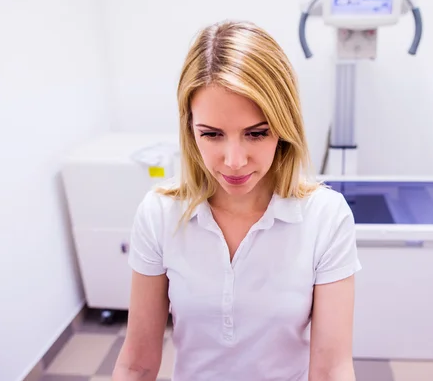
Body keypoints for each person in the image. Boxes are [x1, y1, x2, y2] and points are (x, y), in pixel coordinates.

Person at [112, 20, 362, 381]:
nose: (234, 160)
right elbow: (136, 364)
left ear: (284, 127)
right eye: (212, 135)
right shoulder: (160, 214)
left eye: (256, 133)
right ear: (189, 128)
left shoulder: (325, 216)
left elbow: (331, 369)